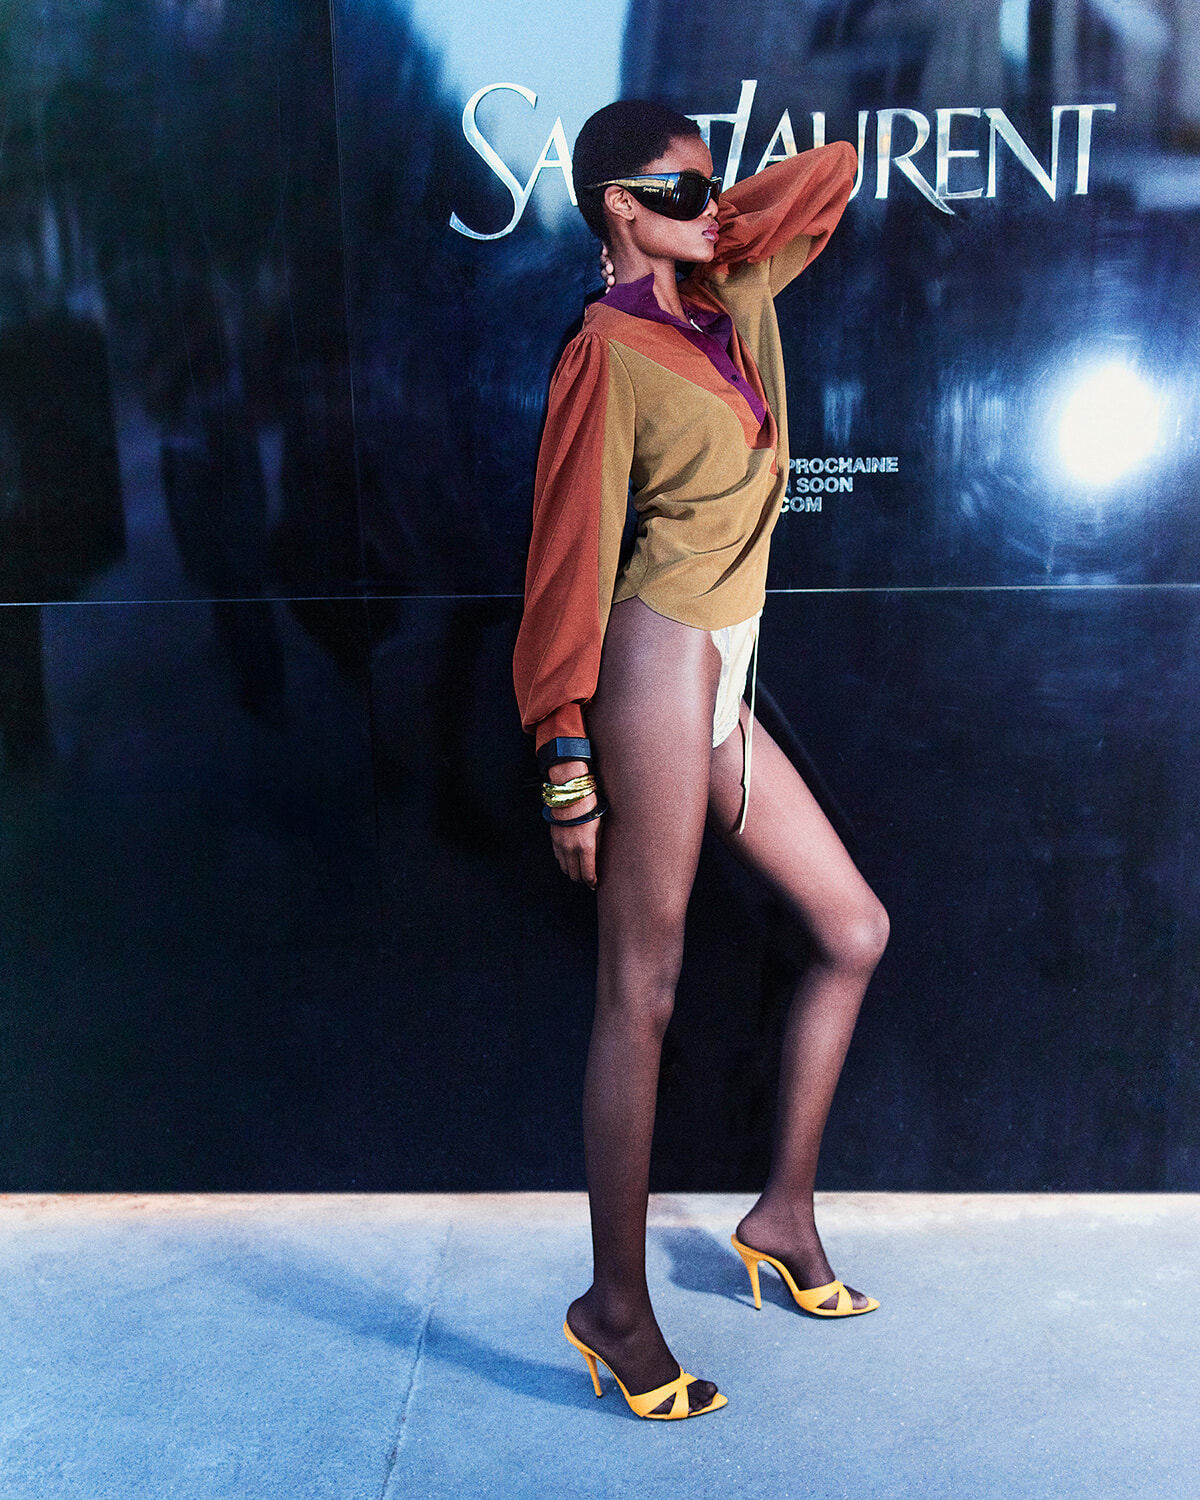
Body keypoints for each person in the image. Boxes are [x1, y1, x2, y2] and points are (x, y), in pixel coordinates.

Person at [513, 99, 889, 1421]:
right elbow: (567, 560)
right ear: (616, 207)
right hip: (655, 665)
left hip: (727, 675)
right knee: (645, 985)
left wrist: (706, 210)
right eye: (668, 190)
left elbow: (832, 177)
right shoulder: (605, 353)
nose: (703, 204)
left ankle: (780, 1215)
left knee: (853, 926)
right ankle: (615, 1307)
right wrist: (569, 764)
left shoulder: (733, 290)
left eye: (706, 184)